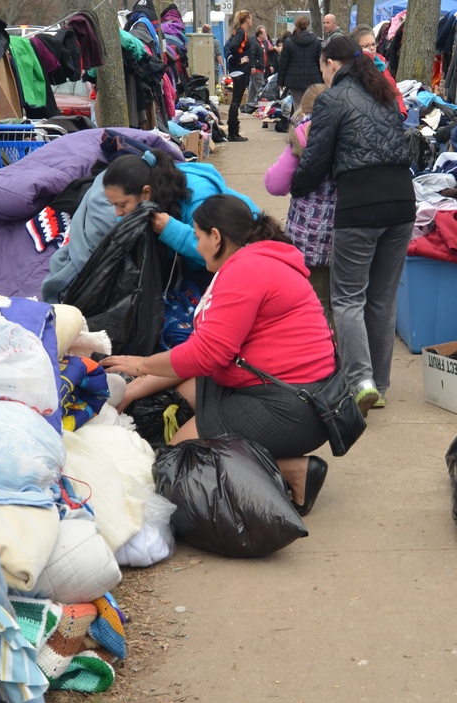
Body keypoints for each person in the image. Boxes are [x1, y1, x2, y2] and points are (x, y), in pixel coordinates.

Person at [103, 197, 336, 515]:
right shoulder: (253, 261)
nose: (196, 246)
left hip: (290, 408)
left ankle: (291, 468)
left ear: (216, 236)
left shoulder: (246, 272)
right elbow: (202, 352)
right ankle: (264, 455)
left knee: (178, 461)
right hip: (292, 393)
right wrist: (132, 388)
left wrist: (140, 364)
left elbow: (204, 355)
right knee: (180, 394)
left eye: (197, 236)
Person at [290, 33, 415, 415]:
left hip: (360, 204)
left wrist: (296, 187)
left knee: (347, 298)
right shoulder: (383, 92)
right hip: (402, 201)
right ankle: (379, 383)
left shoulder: (331, 99)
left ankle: (358, 381)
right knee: (381, 298)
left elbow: (316, 160)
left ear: (330, 64)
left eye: (322, 68)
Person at [41, 146, 258, 301]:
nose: (118, 213)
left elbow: (222, 252)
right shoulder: (153, 191)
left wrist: (171, 230)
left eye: (122, 205)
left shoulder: (199, 198)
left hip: (246, 249)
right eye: (113, 205)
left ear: (146, 193)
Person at [263, 82, 333, 318]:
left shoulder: (304, 135)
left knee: (318, 303)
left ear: (304, 111)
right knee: (349, 303)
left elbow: (275, 185)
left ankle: (327, 352)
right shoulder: (352, 131)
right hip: (349, 235)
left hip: (310, 237)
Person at [351, 27, 407, 116]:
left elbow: (394, 91)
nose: (372, 48)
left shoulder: (381, 63)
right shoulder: (353, 69)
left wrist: (401, 112)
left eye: (373, 44)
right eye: (366, 46)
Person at [277, 14, 323, 110]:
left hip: (294, 80)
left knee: (298, 105)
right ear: (307, 26)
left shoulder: (289, 42)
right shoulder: (315, 41)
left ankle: (299, 123)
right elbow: (320, 62)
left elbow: (283, 63)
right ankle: (309, 123)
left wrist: (280, 82)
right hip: (313, 79)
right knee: (311, 105)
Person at [224, 9, 253, 140]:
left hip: (237, 70)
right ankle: (232, 132)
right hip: (240, 70)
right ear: (247, 20)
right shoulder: (241, 32)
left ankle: (233, 131)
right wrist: (239, 60)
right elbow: (233, 46)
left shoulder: (239, 31)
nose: (252, 21)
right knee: (236, 101)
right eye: (251, 18)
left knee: (236, 101)